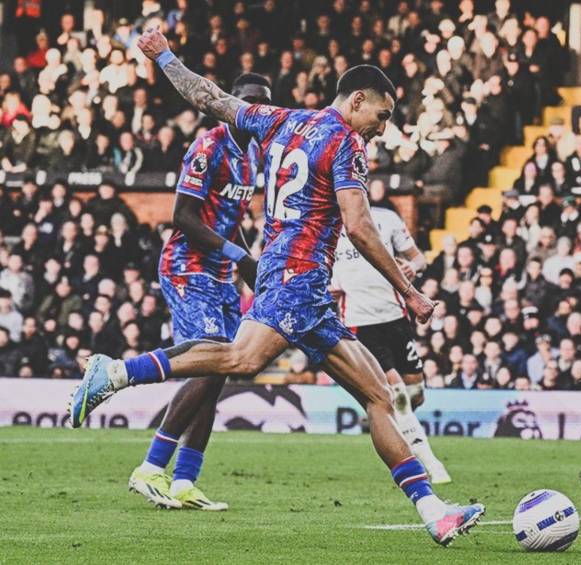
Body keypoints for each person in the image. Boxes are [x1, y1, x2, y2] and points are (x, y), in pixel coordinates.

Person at [70, 29, 483, 547]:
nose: (382, 129)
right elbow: (358, 225)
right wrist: (409, 290)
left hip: (293, 278)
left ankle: (434, 512)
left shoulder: (284, 120)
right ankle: (116, 372)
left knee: (380, 394)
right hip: (299, 279)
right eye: (383, 115)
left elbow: (211, 98)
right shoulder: (346, 141)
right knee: (241, 361)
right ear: (358, 101)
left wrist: (166, 58)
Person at [127, 74, 271, 512]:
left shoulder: (254, 154)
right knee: (208, 361)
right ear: (230, 102)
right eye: (248, 101)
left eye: (264, 103)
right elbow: (183, 217)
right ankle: (150, 468)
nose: (257, 110)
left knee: (219, 371)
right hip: (186, 267)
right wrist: (238, 255)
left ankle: (185, 481)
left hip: (222, 273)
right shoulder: (210, 147)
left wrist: (250, 268)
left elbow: (232, 220)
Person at [330, 205, 451, 484]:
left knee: (415, 393)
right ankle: (431, 464)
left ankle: (394, 429)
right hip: (360, 323)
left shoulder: (387, 219)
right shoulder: (332, 225)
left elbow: (418, 259)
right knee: (395, 391)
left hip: (396, 318)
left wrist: (413, 267)